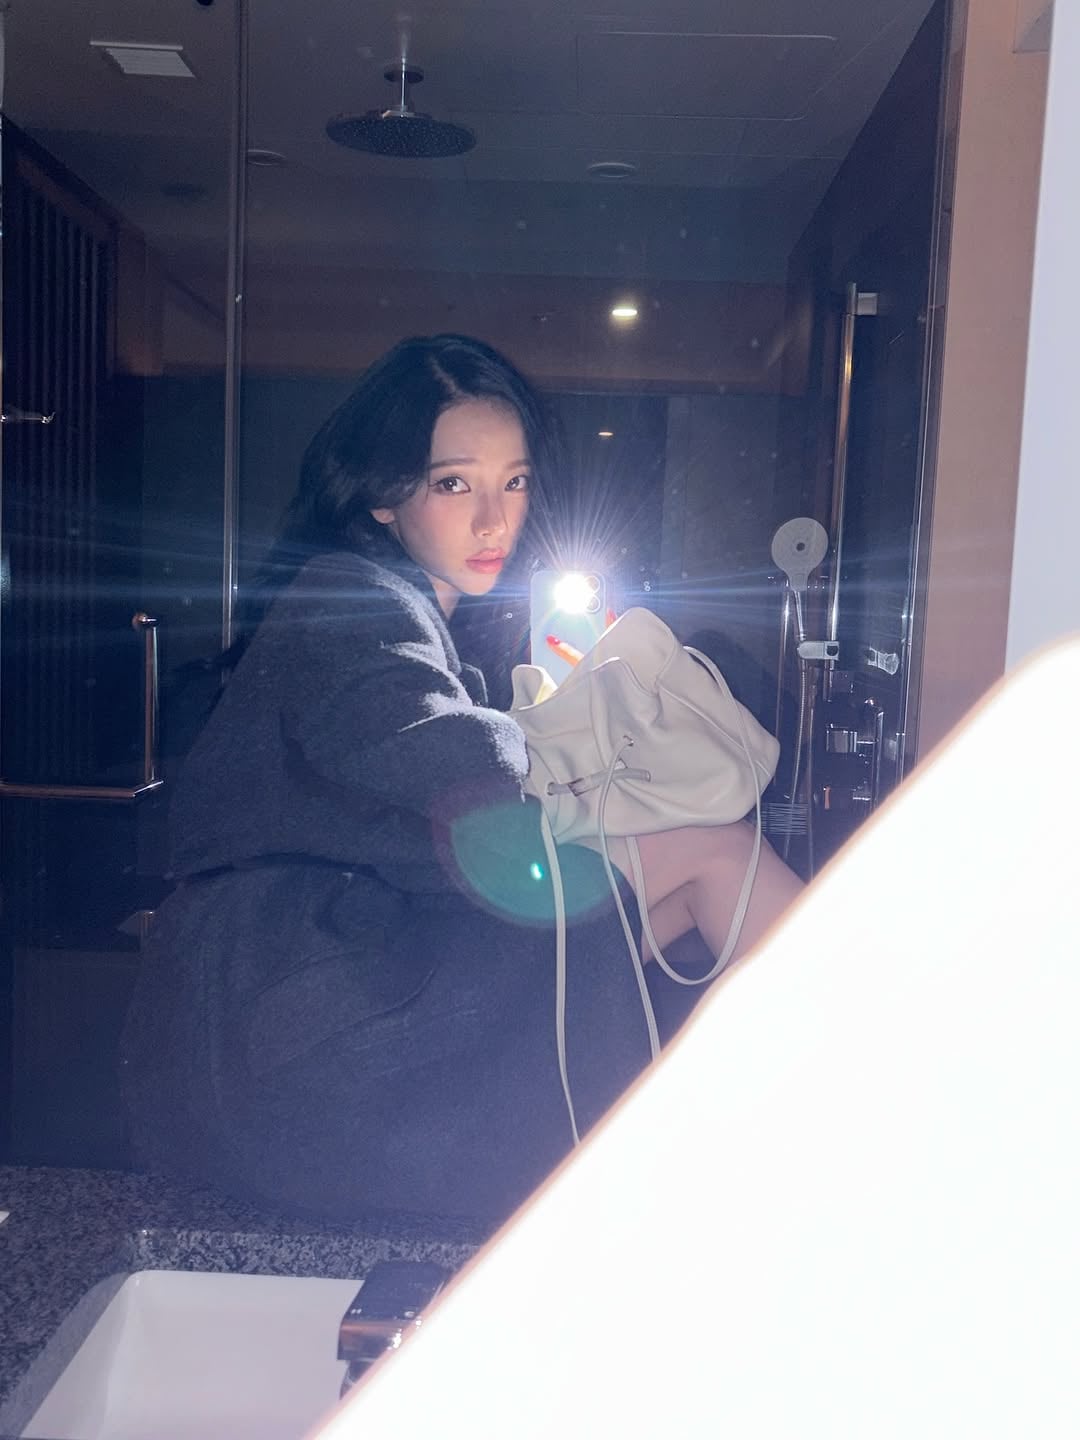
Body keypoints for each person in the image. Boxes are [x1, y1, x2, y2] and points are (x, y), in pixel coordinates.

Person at [120, 334, 801, 1224]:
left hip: (289, 1006)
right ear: (382, 496)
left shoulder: (384, 604)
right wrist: (547, 760)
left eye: (513, 483)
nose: (492, 520)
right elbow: (445, 766)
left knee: (668, 882)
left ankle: (807, 1112)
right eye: (453, 484)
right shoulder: (351, 598)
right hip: (304, 1022)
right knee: (714, 854)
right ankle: (861, 1099)